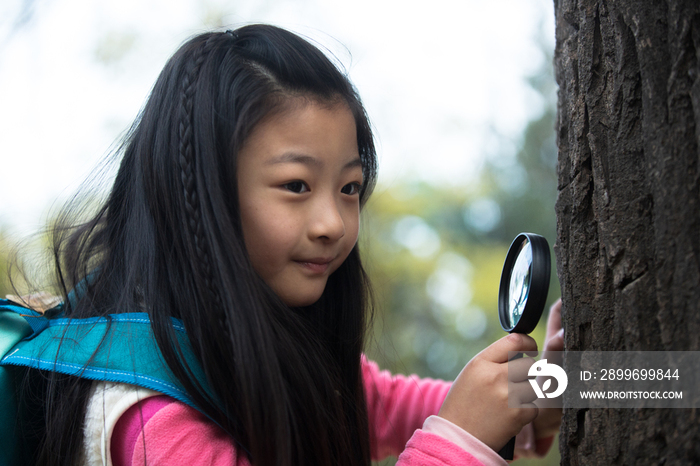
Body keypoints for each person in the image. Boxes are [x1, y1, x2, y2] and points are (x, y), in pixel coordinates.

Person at [16, 24, 563, 465]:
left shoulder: (265, 348)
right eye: (295, 186)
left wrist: (572, 380)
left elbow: (396, 405)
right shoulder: (152, 422)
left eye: (349, 188)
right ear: (201, 196)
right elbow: (450, 423)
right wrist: (459, 444)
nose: (332, 222)